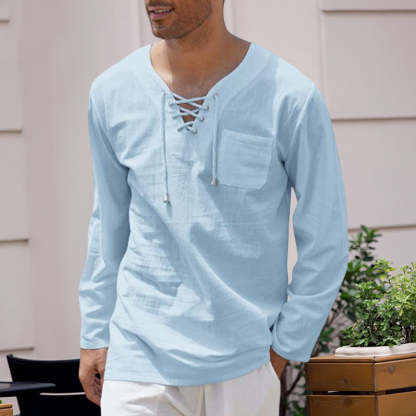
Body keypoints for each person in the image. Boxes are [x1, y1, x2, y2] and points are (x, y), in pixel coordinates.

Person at [78, 0, 350, 415]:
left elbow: (325, 239)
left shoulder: (290, 96)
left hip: (245, 365)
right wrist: (96, 332)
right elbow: (108, 226)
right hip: (138, 363)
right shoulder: (111, 92)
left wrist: (281, 351)